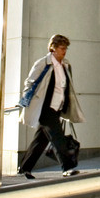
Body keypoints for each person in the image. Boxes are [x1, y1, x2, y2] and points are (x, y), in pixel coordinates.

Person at [17, 34, 85, 179]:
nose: (64, 51)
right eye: (61, 48)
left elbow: (66, 87)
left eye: (66, 48)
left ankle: (25, 168)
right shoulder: (43, 63)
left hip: (57, 107)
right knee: (57, 137)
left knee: (41, 140)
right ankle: (67, 167)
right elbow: (29, 82)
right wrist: (27, 99)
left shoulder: (65, 64)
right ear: (53, 48)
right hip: (44, 106)